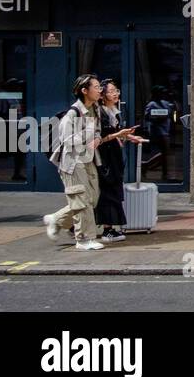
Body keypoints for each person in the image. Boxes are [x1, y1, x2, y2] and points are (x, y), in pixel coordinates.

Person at [44, 75, 128, 251]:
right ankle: (83, 239)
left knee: (92, 198)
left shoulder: (95, 109)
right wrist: (89, 136)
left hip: (89, 159)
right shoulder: (73, 112)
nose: (100, 90)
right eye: (96, 87)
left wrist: (96, 137)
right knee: (81, 200)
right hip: (73, 162)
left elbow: (97, 131)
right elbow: (66, 139)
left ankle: (57, 219)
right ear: (84, 91)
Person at [94, 79, 145, 242]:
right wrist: (120, 134)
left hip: (113, 156)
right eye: (111, 91)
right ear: (102, 95)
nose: (116, 93)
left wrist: (130, 136)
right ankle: (107, 230)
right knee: (108, 192)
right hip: (105, 158)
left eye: (116, 90)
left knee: (112, 190)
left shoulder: (112, 110)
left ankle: (77, 226)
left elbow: (115, 131)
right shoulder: (99, 113)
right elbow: (101, 137)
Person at [141, 85, 177, 182]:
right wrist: (158, 117)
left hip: (166, 129)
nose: (163, 94)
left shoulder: (166, 103)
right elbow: (147, 117)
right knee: (165, 152)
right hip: (158, 130)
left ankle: (146, 165)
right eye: (161, 92)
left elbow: (172, 113)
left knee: (165, 153)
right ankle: (165, 175)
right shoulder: (151, 104)